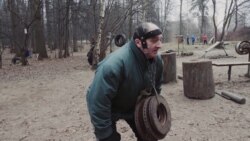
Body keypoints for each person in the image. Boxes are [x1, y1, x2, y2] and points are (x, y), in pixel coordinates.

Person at [86, 22, 164, 141]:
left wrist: (153, 109)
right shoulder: (113, 66)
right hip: (109, 107)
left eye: (160, 40)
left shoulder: (157, 61)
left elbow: (156, 88)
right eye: (154, 40)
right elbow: (97, 102)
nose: (159, 45)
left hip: (134, 106)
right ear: (138, 42)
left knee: (150, 137)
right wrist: (105, 134)